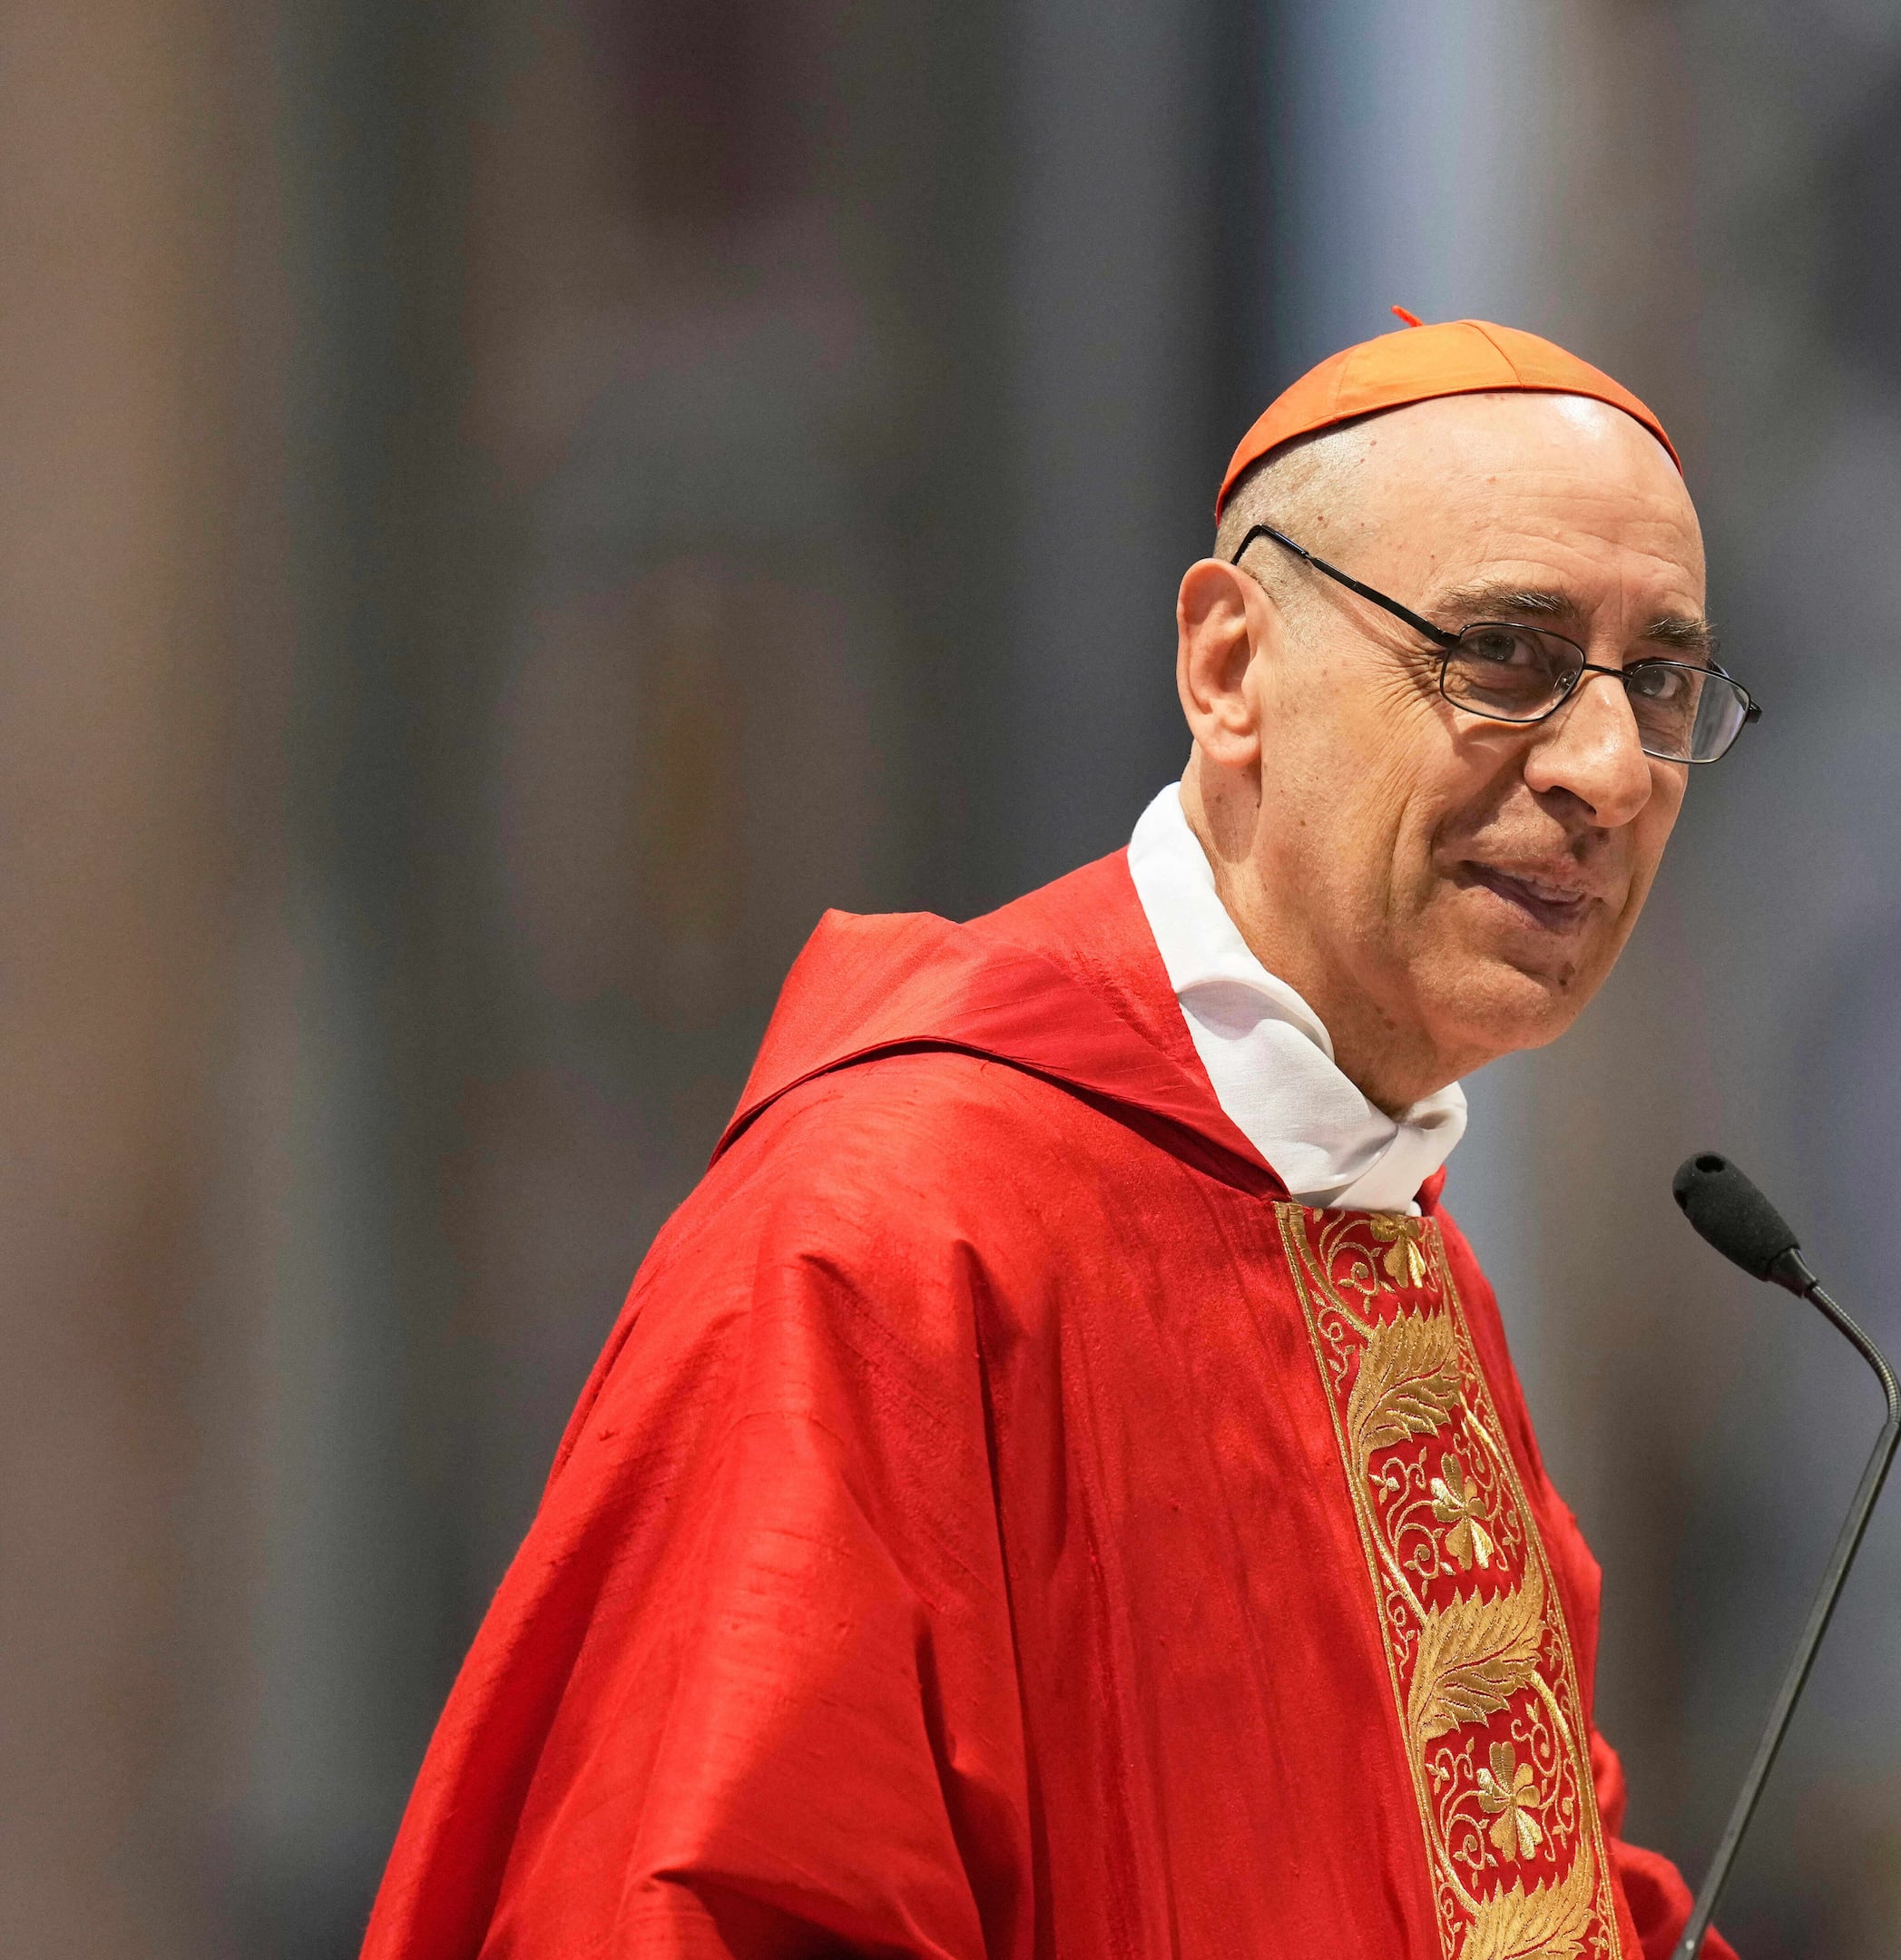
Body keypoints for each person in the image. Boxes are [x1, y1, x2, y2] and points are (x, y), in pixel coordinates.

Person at [359, 318, 1756, 1960]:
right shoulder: (893, 1231)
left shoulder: (1390, 1259)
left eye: (1656, 681)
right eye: (1503, 655)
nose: (1605, 768)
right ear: (1231, 669)